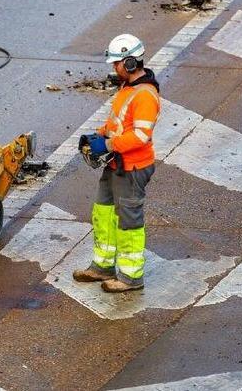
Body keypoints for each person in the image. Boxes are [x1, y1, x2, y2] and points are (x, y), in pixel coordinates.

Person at [73, 34, 160, 293]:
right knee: (104, 213)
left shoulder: (145, 95)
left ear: (131, 63)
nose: (114, 68)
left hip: (132, 168)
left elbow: (141, 136)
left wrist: (109, 145)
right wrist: (99, 134)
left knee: (129, 221)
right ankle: (102, 267)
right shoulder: (127, 89)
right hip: (116, 165)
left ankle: (131, 277)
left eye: (118, 63)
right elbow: (118, 123)